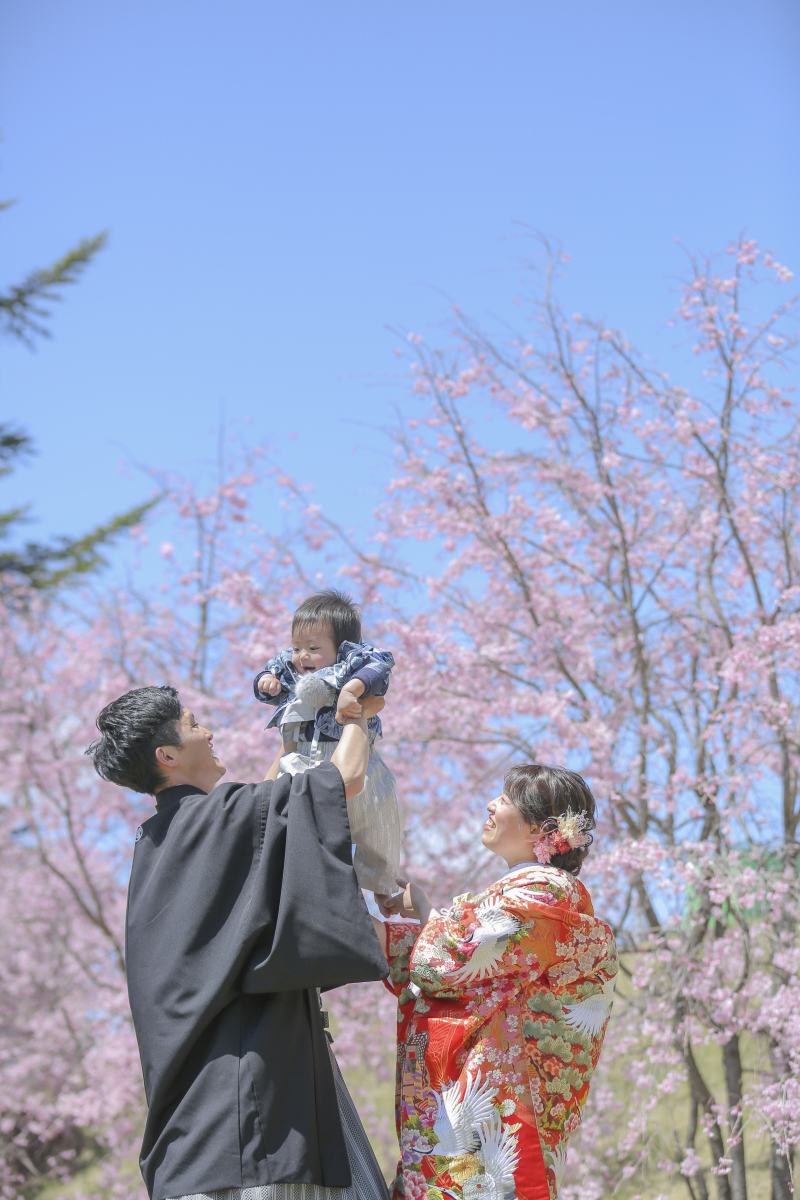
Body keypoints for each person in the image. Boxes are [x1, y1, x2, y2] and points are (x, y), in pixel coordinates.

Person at [86, 683, 390, 1200]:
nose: (208, 731)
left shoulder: (158, 840)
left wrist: (293, 741)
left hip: (195, 1137)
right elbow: (346, 779)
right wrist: (357, 719)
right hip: (256, 1124)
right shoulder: (220, 818)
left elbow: (264, 820)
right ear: (168, 756)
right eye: (193, 724)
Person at [373, 764, 618, 1200]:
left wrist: (428, 910)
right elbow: (463, 962)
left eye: (505, 800)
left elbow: (461, 957)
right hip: (469, 1111)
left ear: (540, 830)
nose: (491, 805)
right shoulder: (524, 891)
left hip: (495, 1116)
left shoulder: (548, 889)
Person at [254, 588, 404, 902]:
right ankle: (279, 874)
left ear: (342, 648)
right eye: (297, 647)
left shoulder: (355, 660)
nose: (302, 656)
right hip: (300, 760)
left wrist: (351, 688)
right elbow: (270, 673)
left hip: (353, 757)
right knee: (286, 821)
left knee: (379, 815)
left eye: (312, 647)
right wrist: (266, 680)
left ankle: (381, 884)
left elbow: (379, 666)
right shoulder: (291, 667)